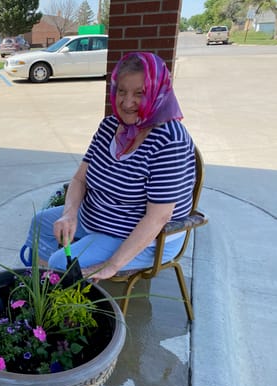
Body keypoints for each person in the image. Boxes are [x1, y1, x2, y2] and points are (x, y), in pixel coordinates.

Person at [21, 52, 195, 282]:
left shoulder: (170, 141)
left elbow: (158, 218)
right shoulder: (111, 125)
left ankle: (61, 301)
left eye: (139, 93)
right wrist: (69, 214)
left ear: (157, 92)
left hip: (140, 237)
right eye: (121, 91)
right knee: (40, 224)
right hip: (95, 218)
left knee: (60, 263)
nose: (126, 101)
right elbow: (80, 179)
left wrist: (111, 265)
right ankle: (43, 287)